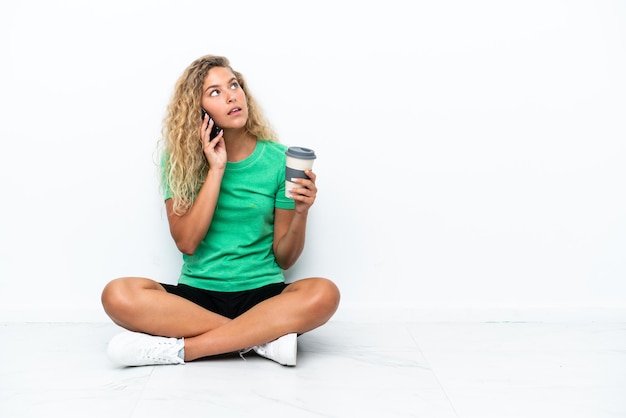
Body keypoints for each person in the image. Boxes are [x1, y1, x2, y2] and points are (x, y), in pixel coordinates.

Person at [101, 54, 340, 367]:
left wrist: (301, 212)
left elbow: (285, 258)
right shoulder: (180, 161)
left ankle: (183, 350)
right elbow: (187, 243)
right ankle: (262, 341)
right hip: (197, 298)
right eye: (215, 92)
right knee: (117, 294)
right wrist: (216, 169)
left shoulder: (279, 160)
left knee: (325, 293)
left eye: (234, 85)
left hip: (263, 297)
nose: (231, 96)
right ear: (198, 110)